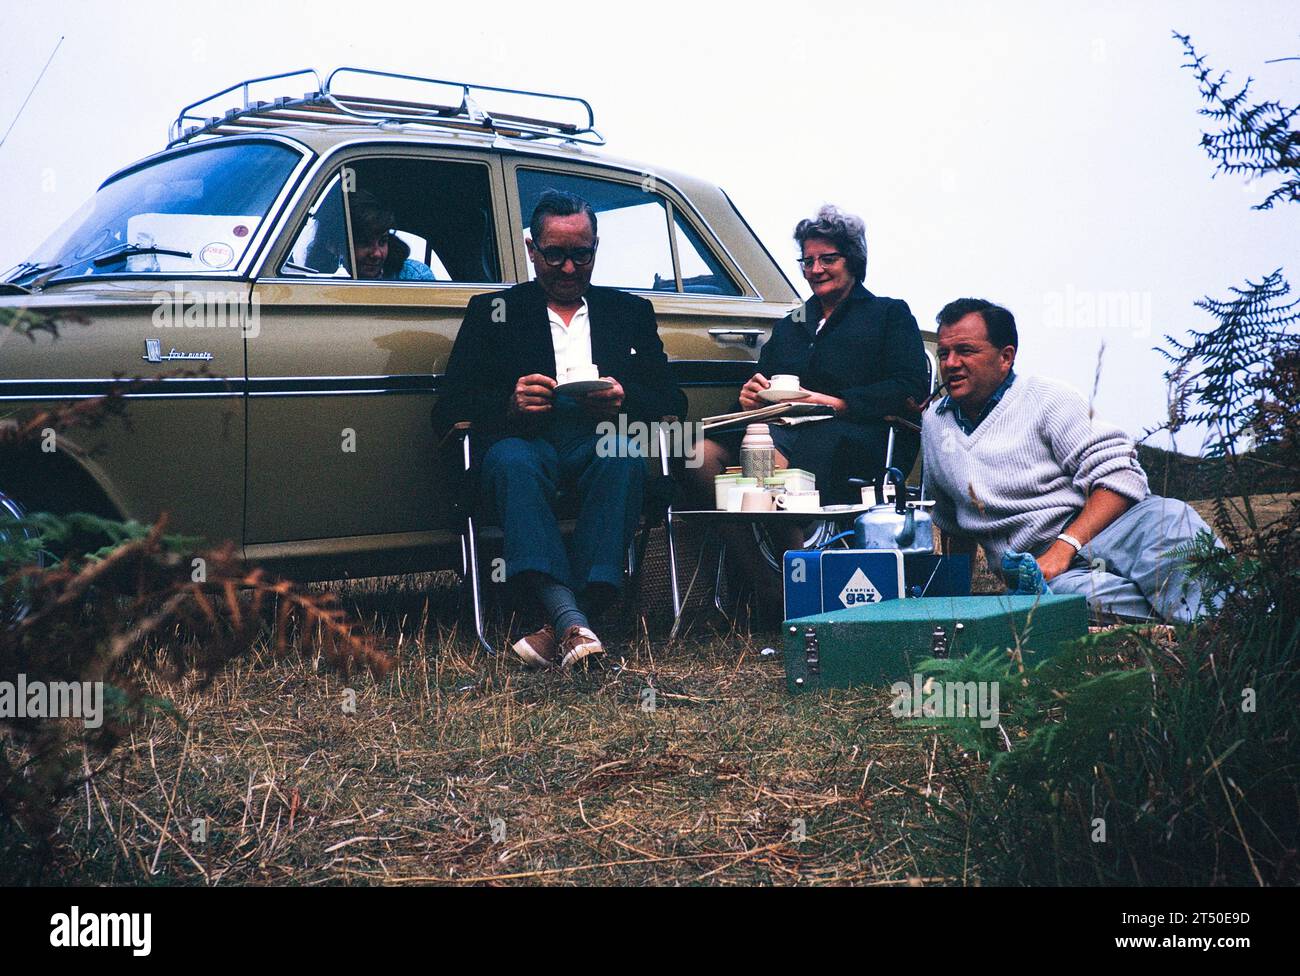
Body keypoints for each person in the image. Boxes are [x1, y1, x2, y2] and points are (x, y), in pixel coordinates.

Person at [436, 189, 687, 668]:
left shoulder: (628, 312)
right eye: (554, 255)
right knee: (513, 461)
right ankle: (575, 619)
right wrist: (510, 404)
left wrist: (623, 396)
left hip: (599, 439)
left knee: (622, 457)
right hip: (524, 440)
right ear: (532, 250)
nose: (569, 269)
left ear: (596, 249)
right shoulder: (493, 311)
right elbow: (449, 408)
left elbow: (672, 400)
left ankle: (563, 624)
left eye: (581, 255)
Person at [921, 297, 1221, 624]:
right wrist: (955, 605)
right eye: (944, 354)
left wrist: (1064, 548)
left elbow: (1120, 476)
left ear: (1005, 357)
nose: (950, 363)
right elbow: (952, 522)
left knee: (1172, 522)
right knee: (1074, 602)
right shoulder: (935, 425)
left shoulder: (1048, 398)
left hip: (1112, 527)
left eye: (965, 351)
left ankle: (1243, 626)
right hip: (1039, 568)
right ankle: (1196, 616)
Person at [692, 205, 930, 504]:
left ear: (853, 260)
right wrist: (749, 397)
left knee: (765, 459)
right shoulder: (791, 324)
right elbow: (764, 381)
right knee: (698, 456)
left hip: (855, 433)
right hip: (782, 430)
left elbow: (909, 386)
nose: (815, 270)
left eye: (828, 259)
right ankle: (750, 551)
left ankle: (791, 547)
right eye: (808, 261)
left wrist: (837, 403)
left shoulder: (887, 314)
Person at [348, 191, 436, 281]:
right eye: (364, 242)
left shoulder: (413, 276)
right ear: (336, 246)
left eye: (382, 242)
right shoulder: (332, 278)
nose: (377, 254)